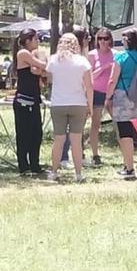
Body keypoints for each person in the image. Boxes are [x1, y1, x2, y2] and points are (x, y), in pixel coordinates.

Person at [106, 28, 137, 179]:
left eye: (123, 39)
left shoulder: (121, 57)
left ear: (128, 41)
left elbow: (112, 80)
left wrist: (108, 97)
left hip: (123, 96)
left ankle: (129, 168)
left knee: (125, 132)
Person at [46, 33, 93, 182]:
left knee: (58, 139)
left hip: (58, 103)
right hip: (78, 103)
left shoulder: (53, 60)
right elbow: (89, 86)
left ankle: (53, 172)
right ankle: (78, 174)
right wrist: (89, 105)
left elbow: (49, 79)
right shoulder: (82, 61)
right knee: (76, 140)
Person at [12, 29, 47, 176]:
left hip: (34, 99)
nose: (38, 42)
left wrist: (40, 68)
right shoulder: (23, 53)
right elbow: (42, 66)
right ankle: (24, 166)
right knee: (24, 134)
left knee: (36, 133)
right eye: (35, 39)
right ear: (28, 41)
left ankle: (34, 164)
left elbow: (39, 71)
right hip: (23, 100)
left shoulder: (31, 54)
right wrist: (43, 60)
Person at [59, 28, 93, 167]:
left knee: (78, 129)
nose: (89, 39)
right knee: (69, 129)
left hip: (80, 95)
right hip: (73, 97)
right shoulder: (75, 57)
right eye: (86, 37)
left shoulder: (83, 53)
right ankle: (64, 157)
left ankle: (80, 155)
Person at [87, 28, 116, 166]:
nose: (103, 41)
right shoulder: (92, 55)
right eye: (100, 38)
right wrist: (104, 67)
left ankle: (125, 152)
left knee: (119, 122)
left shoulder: (116, 54)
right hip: (97, 92)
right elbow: (90, 76)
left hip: (113, 92)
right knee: (95, 124)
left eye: (105, 38)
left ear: (110, 39)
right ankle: (95, 154)